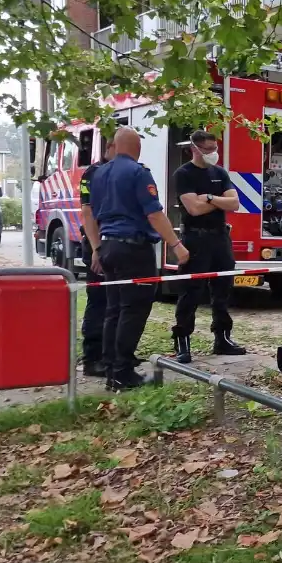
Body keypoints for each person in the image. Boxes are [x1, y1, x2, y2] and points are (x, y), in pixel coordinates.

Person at [91, 127, 190, 391]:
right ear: (136, 147)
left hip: (108, 247)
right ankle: (124, 373)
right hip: (134, 250)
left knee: (113, 309)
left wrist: (96, 247)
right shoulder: (138, 172)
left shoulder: (99, 173)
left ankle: (113, 370)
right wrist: (176, 245)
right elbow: (155, 214)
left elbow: (90, 213)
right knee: (133, 311)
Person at [170, 131, 247, 363]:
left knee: (223, 290)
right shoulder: (183, 174)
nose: (213, 153)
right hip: (195, 238)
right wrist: (214, 201)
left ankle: (222, 338)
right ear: (194, 148)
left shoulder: (219, 173)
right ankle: (182, 340)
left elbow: (234, 203)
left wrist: (210, 198)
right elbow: (193, 209)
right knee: (191, 292)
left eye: (215, 148)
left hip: (220, 238)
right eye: (207, 149)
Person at [77, 138, 114, 377]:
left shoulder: (117, 172)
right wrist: (96, 249)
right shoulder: (93, 174)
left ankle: (112, 353)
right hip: (98, 243)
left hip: (115, 244)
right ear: (109, 148)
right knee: (99, 302)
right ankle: (92, 358)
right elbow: (87, 212)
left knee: (116, 303)